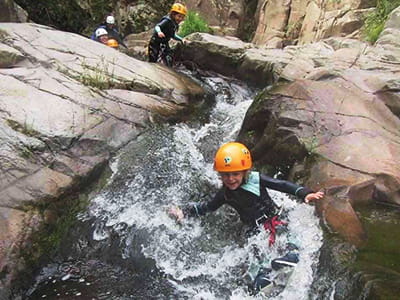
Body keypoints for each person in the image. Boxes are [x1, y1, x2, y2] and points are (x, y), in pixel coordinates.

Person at [169, 142, 324, 294]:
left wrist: (304, 193)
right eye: (225, 175)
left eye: (235, 174)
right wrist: (184, 211)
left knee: (284, 231)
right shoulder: (224, 194)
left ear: (245, 171)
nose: (230, 179)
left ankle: (292, 254)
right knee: (256, 253)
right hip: (254, 229)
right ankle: (262, 279)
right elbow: (208, 207)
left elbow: (281, 185)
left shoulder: (255, 179)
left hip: (273, 218)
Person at [148, 3, 186, 67]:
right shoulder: (167, 20)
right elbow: (157, 26)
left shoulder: (175, 24)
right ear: (173, 15)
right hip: (155, 42)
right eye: (179, 16)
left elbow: (173, 35)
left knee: (169, 56)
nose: (180, 19)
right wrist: (159, 32)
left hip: (164, 43)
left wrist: (181, 39)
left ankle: (167, 67)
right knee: (153, 57)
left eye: (182, 17)